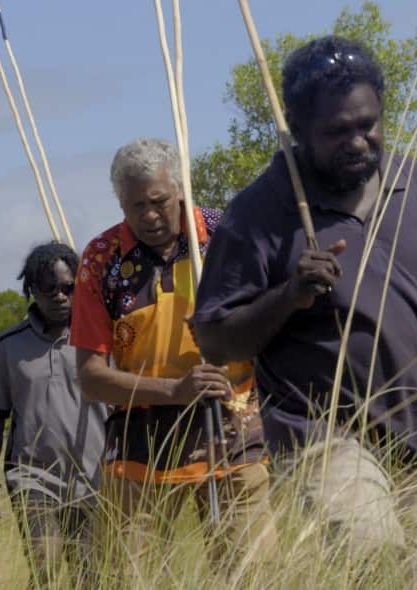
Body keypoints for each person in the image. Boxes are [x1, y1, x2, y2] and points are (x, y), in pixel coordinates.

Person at [191, 36, 417, 558]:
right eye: (337, 131)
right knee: (371, 552)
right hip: (321, 436)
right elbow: (214, 340)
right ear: (297, 127)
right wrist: (289, 295)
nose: (358, 141)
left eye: (368, 125)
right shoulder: (259, 212)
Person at [69, 138, 277, 572]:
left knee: (252, 574)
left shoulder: (227, 236)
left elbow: (272, 324)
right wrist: (175, 390)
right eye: (135, 206)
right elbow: (90, 378)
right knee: (128, 576)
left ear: (180, 190)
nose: (149, 216)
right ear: (120, 204)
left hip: (232, 432)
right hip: (140, 444)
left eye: (159, 202)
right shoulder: (101, 259)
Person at [0, 242, 107, 588]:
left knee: (89, 575)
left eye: (68, 288)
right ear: (32, 289)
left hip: (94, 478)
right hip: (33, 478)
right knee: (45, 563)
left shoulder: (102, 339)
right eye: (49, 288)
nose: (60, 296)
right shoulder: (7, 347)